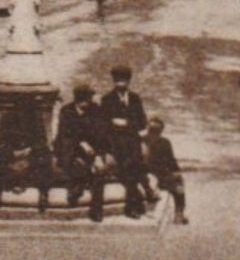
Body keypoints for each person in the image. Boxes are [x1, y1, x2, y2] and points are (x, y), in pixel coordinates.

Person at [98, 65, 148, 218]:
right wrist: (118, 125)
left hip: (132, 141)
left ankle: (135, 202)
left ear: (128, 82)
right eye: (117, 81)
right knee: (130, 166)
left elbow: (142, 122)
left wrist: (124, 123)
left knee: (131, 165)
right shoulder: (107, 99)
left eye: (123, 81)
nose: (120, 84)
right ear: (114, 81)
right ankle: (134, 204)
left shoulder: (135, 99)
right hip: (115, 142)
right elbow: (104, 124)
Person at [53, 84, 106, 217]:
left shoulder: (96, 110)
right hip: (69, 147)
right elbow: (65, 134)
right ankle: (76, 189)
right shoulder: (67, 111)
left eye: (89, 99)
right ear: (78, 99)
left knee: (99, 172)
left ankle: (96, 209)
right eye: (85, 99)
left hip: (91, 148)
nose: (87, 103)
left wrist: (99, 155)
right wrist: (81, 144)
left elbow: (101, 134)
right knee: (75, 163)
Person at [143, 117, 188, 225]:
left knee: (178, 183)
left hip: (151, 175)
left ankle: (179, 214)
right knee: (179, 185)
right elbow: (171, 161)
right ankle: (179, 214)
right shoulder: (163, 142)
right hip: (158, 176)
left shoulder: (141, 140)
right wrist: (177, 172)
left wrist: (175, 171)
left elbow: (171, 161)